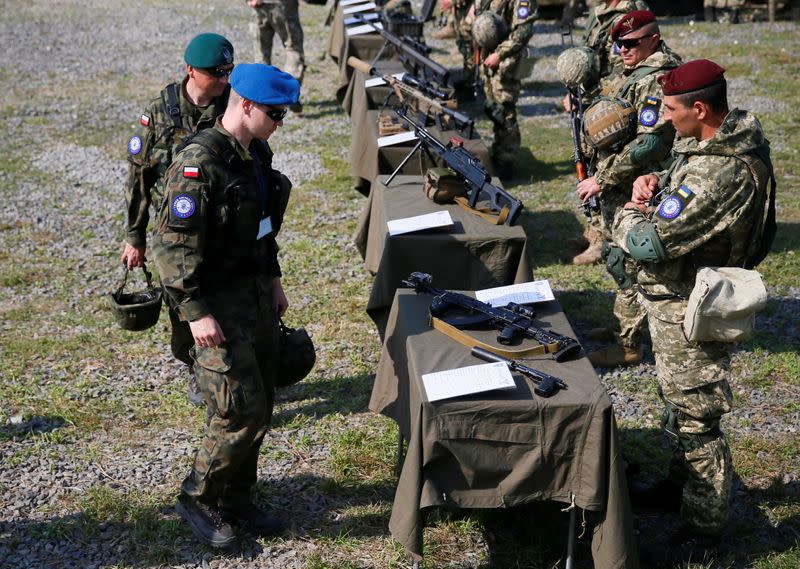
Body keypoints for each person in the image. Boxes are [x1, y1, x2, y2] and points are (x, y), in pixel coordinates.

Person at [613, 59, 774, 563]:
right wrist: (654, 183)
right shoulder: (714, 144)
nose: (663, 117)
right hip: (677, 298)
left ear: (700, 108)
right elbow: (685, 181)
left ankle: (703, 532)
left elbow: (648, 241)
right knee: (678, 405)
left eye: (670, 108)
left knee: (697, 420)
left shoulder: (720, 168)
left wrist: (627, 209)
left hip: (691, 304)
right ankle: (680, 488)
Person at [151, 63, 299, 547]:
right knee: (238, 408)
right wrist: (196, 313)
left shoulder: (255, 154)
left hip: (255, 297)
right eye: (275, 113)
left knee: (263, 401)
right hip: (215, 305)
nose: (280, 121)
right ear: (247, 106)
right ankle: (198, 496)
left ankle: (238, 497)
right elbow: (171, 251)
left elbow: (262, 225)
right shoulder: (198, 164)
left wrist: (274, 279)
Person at [120, 32, 235, 406]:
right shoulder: (158, 112)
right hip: (177, 231)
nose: (222, 79)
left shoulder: (232, 106)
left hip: (224, 225)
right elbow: (139, 177)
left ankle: (231, 369)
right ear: (190, 71)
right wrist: (134, 236)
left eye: (227, 71)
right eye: (215, 72)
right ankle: (195, 365)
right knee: (184, 303)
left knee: (230, 299)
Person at [576, 10, 681, 367]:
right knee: (613, 252)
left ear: (653, 39)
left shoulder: (657, 77)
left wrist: (602, 179)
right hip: (620, 179)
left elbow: (650, 144)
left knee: (629, 257)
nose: (622, 49)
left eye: (631, 43)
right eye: (619, 43)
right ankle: (626, 324)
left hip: (639, 183)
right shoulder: (635, 69)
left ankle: (629, 344)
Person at [563, 0, 651, 265]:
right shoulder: (599, 12)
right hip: (598, 97)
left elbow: (620, 70)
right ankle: (596, 229)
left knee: (606, 171)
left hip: (613, 104)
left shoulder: (629, 13)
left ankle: (605, 239)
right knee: (588, 161)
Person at [473, 0, 537, 178]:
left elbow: (524, 30)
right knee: (493, 108)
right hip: (489, 59)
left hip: (506, 62)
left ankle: (507, 160)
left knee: (505, 110)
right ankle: (498, 152)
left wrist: (499, 54)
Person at [247, 0, 305, 112]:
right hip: (283, 5)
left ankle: (263, 97)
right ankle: (288, 93)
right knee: (293, 48)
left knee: (261, 53)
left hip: (259, 6)